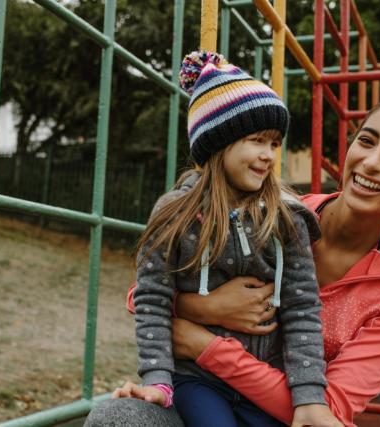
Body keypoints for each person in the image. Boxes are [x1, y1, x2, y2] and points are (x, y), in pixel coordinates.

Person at [85, 91, 380, 427]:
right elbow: (143, 295)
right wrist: (208, 307)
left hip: (284, 417)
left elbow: (330, 409)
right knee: (116, 418)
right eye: (366, 140)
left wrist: (204, 343)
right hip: (199, 391)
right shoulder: (272, 213)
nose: (372, 162)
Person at [127, 50, 341, 427]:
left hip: (265, 378)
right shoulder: (174, 214)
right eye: (257, 140)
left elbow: (303, 308)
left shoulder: (288, 218)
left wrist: (309, 396)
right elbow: (151, 298)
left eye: (275, 144)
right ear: (217, 144)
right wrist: (158, 380)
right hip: (199, 379)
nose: (268, 155)